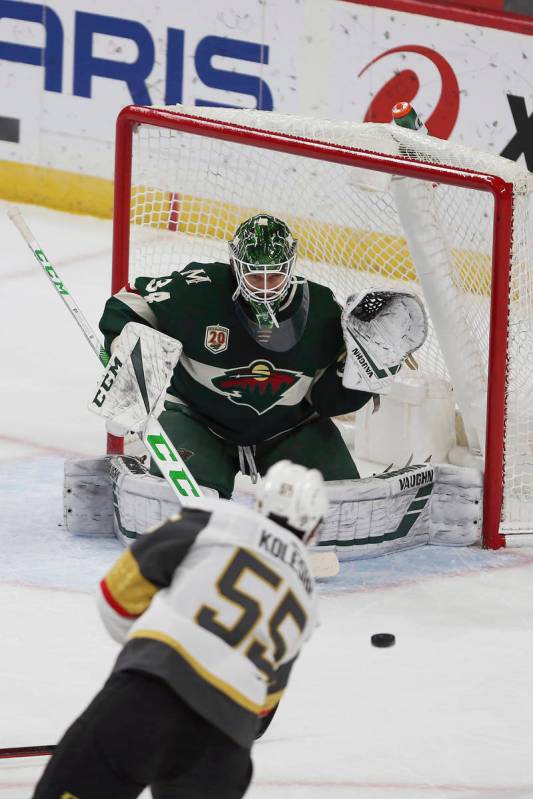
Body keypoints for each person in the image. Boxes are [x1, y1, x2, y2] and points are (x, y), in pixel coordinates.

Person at [32, 460, 327, 799]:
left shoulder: (218, 520)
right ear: (313, 528)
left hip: (150, 694)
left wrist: (146, 653)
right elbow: (263, 708)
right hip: (225, 745)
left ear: (259, 501)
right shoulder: (308, 602)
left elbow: (117, 596)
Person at [99, 214, 375, 497]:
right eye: (255, 274)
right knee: (176, 505)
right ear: (235, 264)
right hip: (200, 423)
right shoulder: (198, 289)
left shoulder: (322, 309)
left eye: (276, 274)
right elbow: (128, 302)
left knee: (339, 503)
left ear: (291, 265)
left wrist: (371, 368)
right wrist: (124, 348)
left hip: (289, 430)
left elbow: (329, 400)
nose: (266, 286)